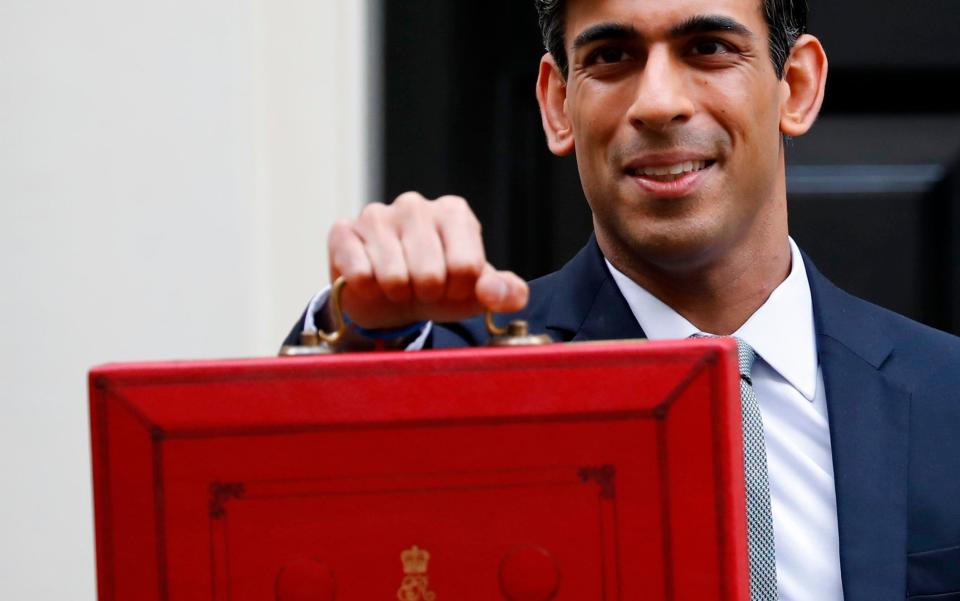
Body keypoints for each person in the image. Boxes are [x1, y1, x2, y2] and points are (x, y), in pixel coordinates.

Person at [286, 0, 960, 599]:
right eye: (612, 57)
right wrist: (358, 331)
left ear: (799, 87)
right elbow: (292, 527)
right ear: (556, 104)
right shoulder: (456, 375)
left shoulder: (947, 395)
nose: (658, 101)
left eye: (708, 48)